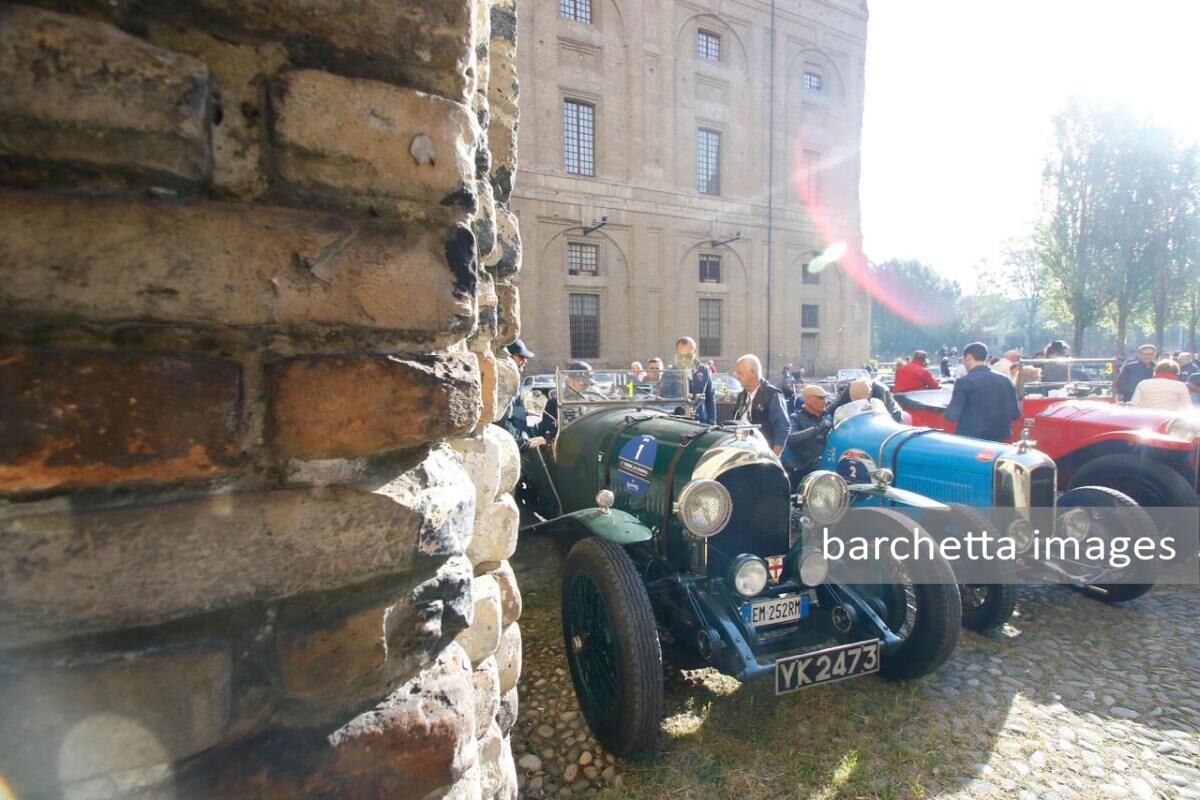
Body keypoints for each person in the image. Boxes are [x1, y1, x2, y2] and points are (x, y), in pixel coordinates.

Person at [944, 342, 1021, 442]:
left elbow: (952, 415)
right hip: (999, 439)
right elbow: (1016, 413)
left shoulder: (964, 382)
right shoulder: (1005, 380)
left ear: (968, 357)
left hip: (971, 439)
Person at [733, 354, 790, 455]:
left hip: (763, 454)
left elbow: (782, 428)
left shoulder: (772, 395)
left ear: (753, 373)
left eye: (740, 373)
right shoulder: (742, 396)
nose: (737, 376)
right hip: (742, 453)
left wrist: (774, 457)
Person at [499, 339, 547, 452]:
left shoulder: (511, 380)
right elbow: (501, 420)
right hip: (509, 446)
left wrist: (526, 413)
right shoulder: (502, 382)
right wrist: (524, 443)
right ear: (508, 358)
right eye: (521, 357)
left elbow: (512, 412)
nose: (524, 362)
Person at [782, 384, 831, 488]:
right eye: (820, 398)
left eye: (825, 398)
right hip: (802, 466)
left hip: (825, 463)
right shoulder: (796, 418)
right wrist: (817, 428)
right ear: (808, 400)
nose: (824, 401)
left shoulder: (827, 416)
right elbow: (791, 438)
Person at [664, 336, 716, 423]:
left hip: (701, 422)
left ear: (695, 353)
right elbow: (664, 400)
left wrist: (712, 420)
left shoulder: (704, 370)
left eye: (688, 356)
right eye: (681, 356)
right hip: (677, 422)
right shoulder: (669, 374)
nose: (684, 359)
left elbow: (710, 397)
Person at [540, 360, 596, 441]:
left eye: (587, 384)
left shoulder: (592, 399)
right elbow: (548, 430)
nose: (586, 386)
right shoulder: (555, 402)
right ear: (570, 381)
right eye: (582, 383)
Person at [827, 377, 904, 422]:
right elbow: (835, 406)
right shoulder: (850, 390)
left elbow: (890, 414)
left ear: (870, 394)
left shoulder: (881, 392)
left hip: (892, 415)